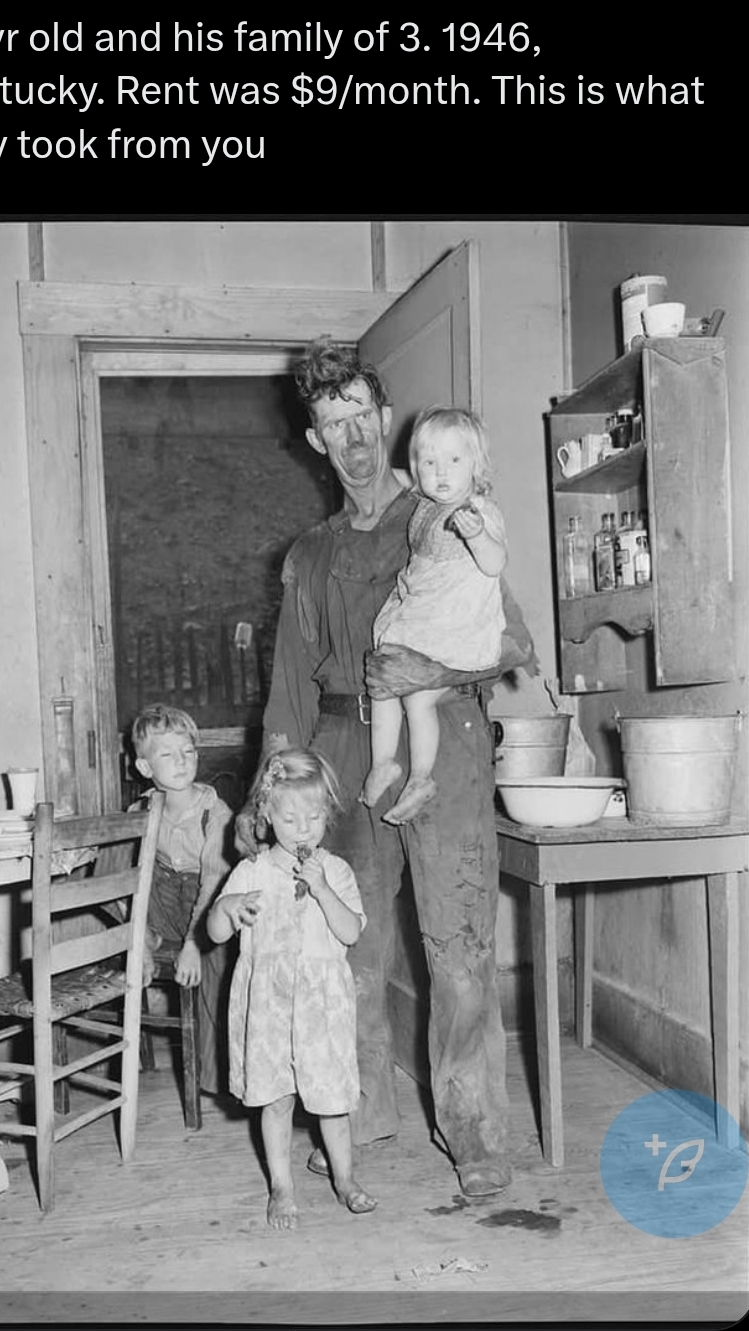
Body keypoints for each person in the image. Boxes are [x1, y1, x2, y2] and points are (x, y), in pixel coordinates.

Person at [237, 337, 535, 1199]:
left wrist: (431, 669)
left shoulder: (445, 513)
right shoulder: (310, 553)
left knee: (459, 945)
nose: (354, 436)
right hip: (342, 753)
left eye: (362, 415)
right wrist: (266, 792)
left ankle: (476, 1135)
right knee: (347, 949)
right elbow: (289, 689)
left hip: (447, 738)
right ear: (315, 440)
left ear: (385, 419)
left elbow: (513, 641)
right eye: (334, 424)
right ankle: (353, 1116)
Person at [207, 747, 376, 1230]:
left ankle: (345, 1179)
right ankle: (281, 1187)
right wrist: (228, 908)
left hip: (322, 1007)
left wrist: (322, 889)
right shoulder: (251, 872)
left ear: (327, 814)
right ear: (265, 814)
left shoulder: (335, 871)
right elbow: (214, 933)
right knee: (276, 1099)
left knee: (332, 1103)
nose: (303, 829)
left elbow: (351, 932)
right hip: (270, 1006)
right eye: (289, 818)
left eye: (314, 817)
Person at [363, 406, 508, 825]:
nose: (441, 472)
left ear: (476, 465)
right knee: (391, 689)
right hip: (422, 617)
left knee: (411, 695)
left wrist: (477, 536)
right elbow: (395, 476)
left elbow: (495, 563)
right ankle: (391, 766)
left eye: (454, 460)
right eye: (429, 462)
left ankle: (413, 774)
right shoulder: (425, 502)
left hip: (452, 627)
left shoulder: (478, 511)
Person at [131, 703, 233, 1095]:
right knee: (122, 861)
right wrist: (138, 939)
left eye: (188, 751)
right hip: (161, 907)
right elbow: (129, 883)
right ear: (145, 767)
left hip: (204, 910)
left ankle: (217, 1076)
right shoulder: (142, 809)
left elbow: (213, 883)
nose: (181, 761)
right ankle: (144, 939)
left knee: (215, 967)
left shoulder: (214, 812)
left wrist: (193, 944)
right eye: (167, 754)